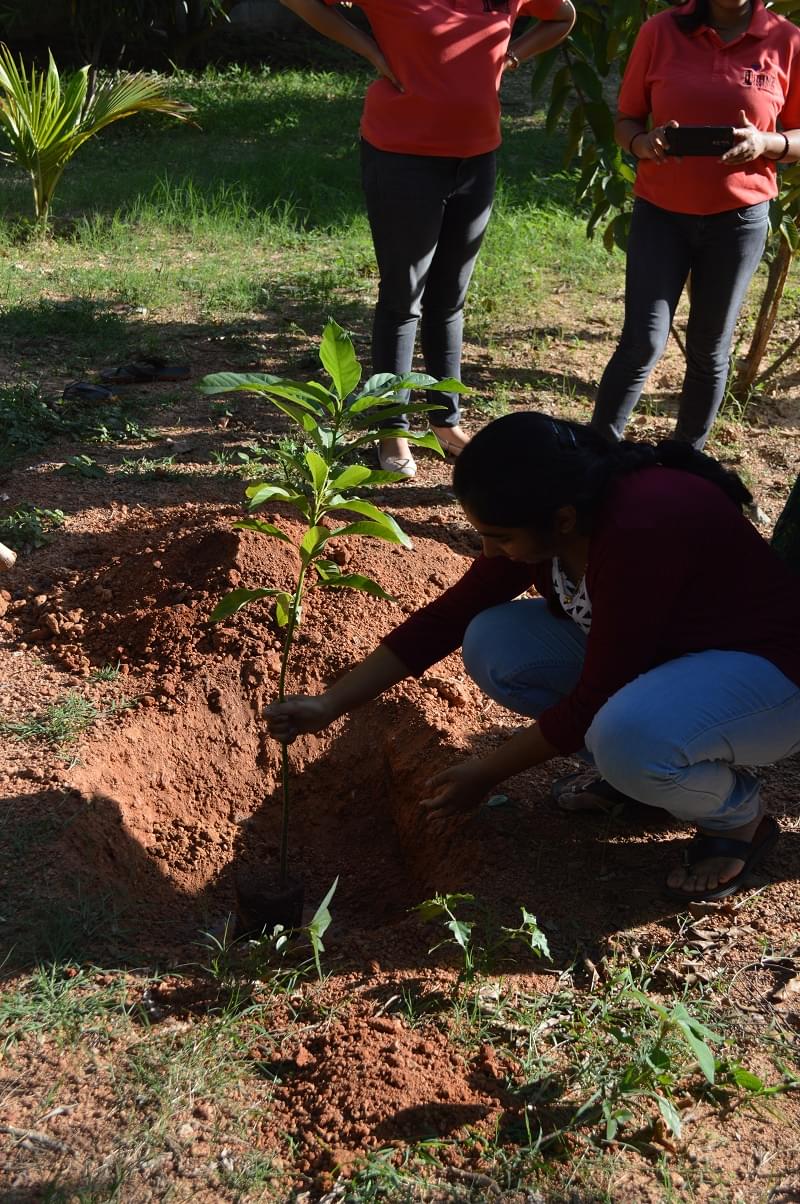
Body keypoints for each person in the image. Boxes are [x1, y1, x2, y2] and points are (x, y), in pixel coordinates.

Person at [266, 412, 800, 904]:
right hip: (675, 660)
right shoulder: (554, 512)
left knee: (626, 737)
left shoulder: (640, 530)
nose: (490, 551)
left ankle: (737, 821)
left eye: (498, 537)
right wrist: (330, 703)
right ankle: (646, 785)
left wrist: (485, 773)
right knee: (493, 641)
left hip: (770, 680)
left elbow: (595, 699)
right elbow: (447, 618)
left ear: (562, 520)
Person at [278, 0, 575, 477]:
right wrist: (371, 50)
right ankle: (390, 427)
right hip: (402, 155)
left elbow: (563, 15)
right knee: (403, 296)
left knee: (450, 299)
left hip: (478, 157)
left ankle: (445, 421)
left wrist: (512, 55)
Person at [591, 0, 800, 450]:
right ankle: (596, 457)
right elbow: (625, 120)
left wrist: (767, 141)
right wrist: (644, 143)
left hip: (739, 220)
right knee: (642, 342)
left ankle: (686, 460)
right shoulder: (660, 31)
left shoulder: (786, 39)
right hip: (661, 214)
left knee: (709, 348)